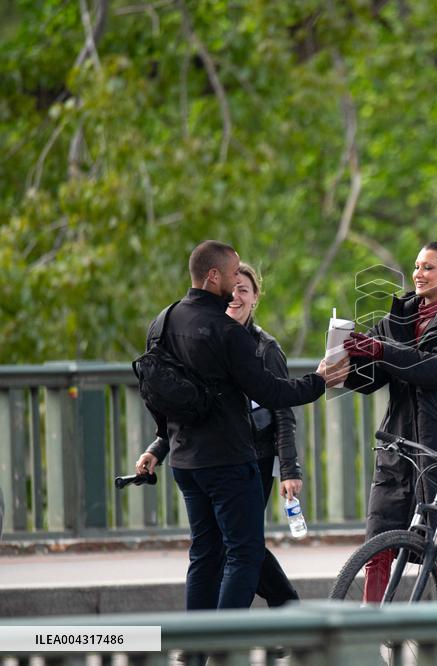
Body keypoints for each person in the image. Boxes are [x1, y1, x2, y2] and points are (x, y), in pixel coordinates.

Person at [134, 240, 348, 613]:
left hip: (186, 463)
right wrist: (319, 381)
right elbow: (270, 392)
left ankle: (198, 641)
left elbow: (158, 390)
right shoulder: (228, 332)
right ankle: (226, 638)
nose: (236, 283)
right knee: (244, 554)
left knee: (204, 554)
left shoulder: (163, 321)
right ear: (212, 275)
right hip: (229, 462)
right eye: (233, 274)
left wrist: (160, 441)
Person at [339, 241, 437, 603]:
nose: (418, 274)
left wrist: (382, 350)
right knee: (377, 548)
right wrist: (342, 368)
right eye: (417, 267)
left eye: (428, 268)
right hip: (398, 446)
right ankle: (371, 629)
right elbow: (371, 379)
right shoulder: (397, 319)